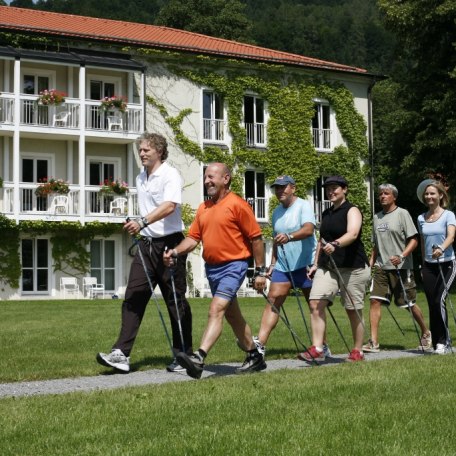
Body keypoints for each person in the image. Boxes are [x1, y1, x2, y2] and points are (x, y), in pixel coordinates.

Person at [96, 132, 193, 373]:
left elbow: (170, 206)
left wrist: (142, 221)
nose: (142, 153)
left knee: (175, 301)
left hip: (170, 244)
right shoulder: (141, 177)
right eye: (140, 150)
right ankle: (121, 354)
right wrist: (137, 223)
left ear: (159, 151)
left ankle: (184, 355)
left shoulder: (170, 174)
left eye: (146, 150)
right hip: (147, 244)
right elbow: (149, 211)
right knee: (134, 295)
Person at [163, 162, 267, 379]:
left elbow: (256, 238)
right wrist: (174, 252)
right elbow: (192, 239)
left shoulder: (237, 205)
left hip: (234, 265)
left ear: (226, 178)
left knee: (216, 309)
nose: (207, 181)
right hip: (213, 269)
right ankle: (254, 356)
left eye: (212, 176)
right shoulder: (204, 208)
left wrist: (260, 271)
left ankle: (198, 358)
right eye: (205, 177)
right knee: (232, 315)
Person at [249, 175, 331, 357]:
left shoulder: (303, 205)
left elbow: (309, 229)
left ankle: (322, 346)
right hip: (284, 266)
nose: (279, 191)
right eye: (276, 188)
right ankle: (260, 345)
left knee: (314, 305)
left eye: (283, 187)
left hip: (306, 264)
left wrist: (290, 236)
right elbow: (277, 240)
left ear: (293, 188)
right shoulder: (276, 212)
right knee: (273, 300)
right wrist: (272, 263)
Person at [299, 175, 370, 362]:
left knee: (352, 309)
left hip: (352, 267)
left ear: (344, 189)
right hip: (328, 266)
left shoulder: (352, 210)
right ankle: (317, 348)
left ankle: (357, 350)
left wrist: (337, 243)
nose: (331, 191)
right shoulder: (326, 213)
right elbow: (322, 242)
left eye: (334, 188)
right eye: (328, 189)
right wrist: (315, 264)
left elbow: (353, 233)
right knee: (315, 303)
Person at [363, 184, 431, 353]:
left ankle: (426, 332)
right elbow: (375, 245)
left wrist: (401, 255)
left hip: (401, 267)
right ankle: (374, 342)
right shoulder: (377, 217)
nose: (382, 196)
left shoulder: (402, 214)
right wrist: (371, 263)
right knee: (374, 300)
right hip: (381, 267)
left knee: (408, 303)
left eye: (386, 194)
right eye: (380, 194)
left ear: (394, 197)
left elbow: (414, 240)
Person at [417, 179, 456, 355]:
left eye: (433, 193)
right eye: (427, 194)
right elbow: (423, 242)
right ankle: (437, 344)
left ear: (440, 195)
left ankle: (445, 341)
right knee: (432, 303)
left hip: (447, 263)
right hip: (429, 266)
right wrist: (423, 264)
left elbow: (451, 237)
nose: (429, 196)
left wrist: (441, 248)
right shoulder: (421, 218)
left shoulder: (449, 215)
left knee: (440, 299)